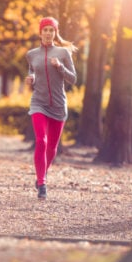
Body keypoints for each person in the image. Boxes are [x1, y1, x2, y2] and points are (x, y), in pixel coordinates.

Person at [25, 16, 77, 199]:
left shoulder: (63, 53)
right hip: (38, 103)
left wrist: (60, 67)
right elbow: (32, 70)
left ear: (55, 33)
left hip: (58, 105)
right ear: (40, 33)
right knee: (41, 141)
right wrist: (30, 78)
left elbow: (73, 79)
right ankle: (42, 184)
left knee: (52, 148)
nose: (48, 33)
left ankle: (41, 175)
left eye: (51, 30)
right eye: (45, 30)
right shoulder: (31, 54)